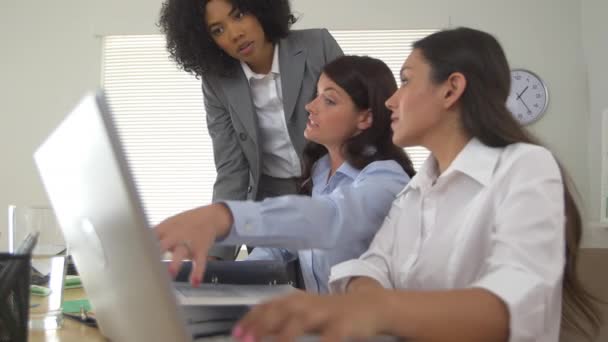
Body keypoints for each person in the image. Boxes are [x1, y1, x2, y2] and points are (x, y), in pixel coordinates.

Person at [230, 27, 602, 342]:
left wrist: (372, 309)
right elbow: (371, 266)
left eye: (406, 80)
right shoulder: (419, 186)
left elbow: (510, 306)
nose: (392, 100)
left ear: (450, 89)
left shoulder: (526, 166)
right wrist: (362, 300)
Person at [155, 55, 416, 293]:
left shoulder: (386, 180)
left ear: (365, 119)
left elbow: (327, 220)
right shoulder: (321, 170)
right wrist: (221, 279)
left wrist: (224, 217)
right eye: (317, 94)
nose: (310, 106)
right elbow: (281, 246)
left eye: (329, 99)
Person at [159, 0, 343, 260]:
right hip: (269, 207)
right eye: (217, 30)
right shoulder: (216, 83)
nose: (235, 34)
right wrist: (215, 257)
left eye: (239, 15)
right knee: (273, 292)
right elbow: (231, 169)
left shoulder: (318, 46)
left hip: (334, 190)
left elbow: (355, 121)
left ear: (261, 9)